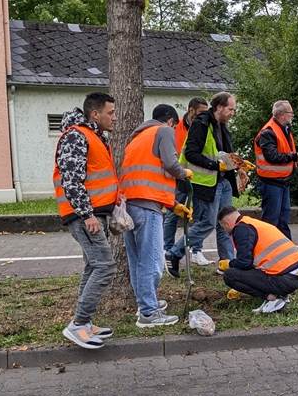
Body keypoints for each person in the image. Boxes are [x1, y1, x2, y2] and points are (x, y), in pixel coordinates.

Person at [119, 104, 195, 328]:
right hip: (147, 209)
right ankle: (149, 313)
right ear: (170, 120)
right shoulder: (164, 131)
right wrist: (183, 173)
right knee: (151, 261)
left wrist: (173, 205)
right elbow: (170, 164)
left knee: (137, 261)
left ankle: (144, 304)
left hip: (129, 206)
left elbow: (146, 176)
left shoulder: (137, 138)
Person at [53, 92, 119, 350]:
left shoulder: (94, 136)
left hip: (94, 213)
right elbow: (71, 180)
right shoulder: (76, 136)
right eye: (110, 113)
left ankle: (84, 322)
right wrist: (87, 214)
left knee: (94, 266)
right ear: (95, 114)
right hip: (85, 215)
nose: (114, 117)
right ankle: (78, 324)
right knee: (105, 266)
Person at [166, 92, 246, 278]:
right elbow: (191, 154)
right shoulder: (201, 124)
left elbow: (225, 152)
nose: (233, 113)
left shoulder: (222, 125)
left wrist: (239, 166)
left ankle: (226, 263)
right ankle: (174, 253)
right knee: (207, 223)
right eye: (230, 109)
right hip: (205, 182)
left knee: (227, 222)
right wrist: (215, 165)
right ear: (218, 107)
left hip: (223, 181)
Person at [216, 206, 298, 313]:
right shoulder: (252, 223)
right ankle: (279, 293)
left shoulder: (240, 229)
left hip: (285, 279)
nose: (225, 231)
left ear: (226, 223)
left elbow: (245, 263)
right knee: (243, 273)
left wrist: (229, 264)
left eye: (223, 227)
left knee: (230, 275)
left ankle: (273, 299)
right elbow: (255, 263)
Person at [163, 97, 209, 255]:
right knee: (172, 214)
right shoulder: (176, 128)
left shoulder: (204, 127)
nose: (204, 116)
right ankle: (166, 248)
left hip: (199, 177)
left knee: (199, 216)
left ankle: (196, 250)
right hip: (179, 176)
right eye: (201, 112)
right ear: (191, 110)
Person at [253, 100, 298, 240]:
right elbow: (272, 156)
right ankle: (267, 250)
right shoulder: (268, 132)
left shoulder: (283, 128)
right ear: (282, 115)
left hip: (282, 181)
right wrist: (293, 156)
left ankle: (286, 249)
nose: (292, 115)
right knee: (271, 220)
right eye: (290, 113)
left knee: (283, 219)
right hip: (271, 182)